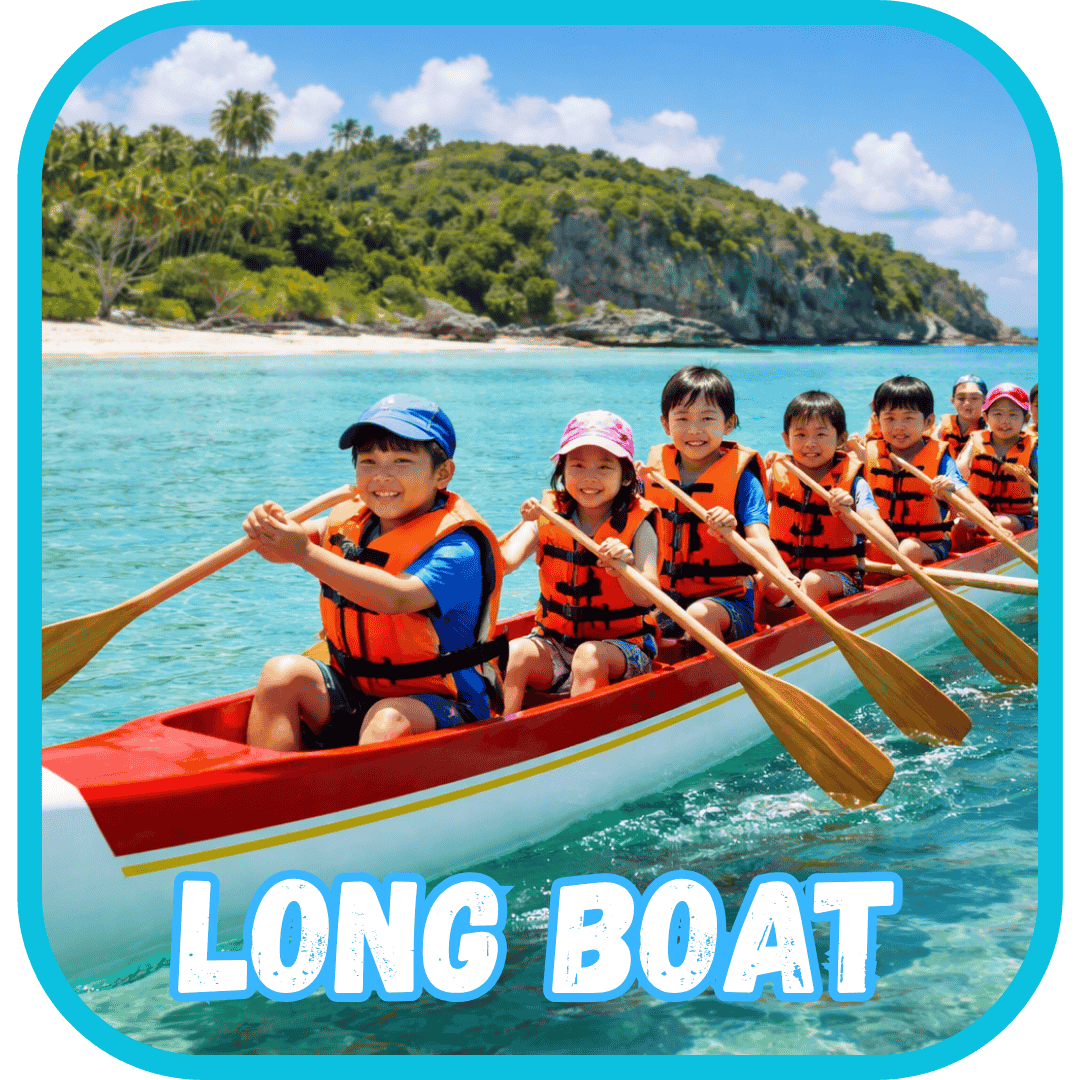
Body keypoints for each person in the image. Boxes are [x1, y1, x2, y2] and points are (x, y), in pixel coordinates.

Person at [242, 394, 505, 751]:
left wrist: (302, 552)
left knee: (387, 718)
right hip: (360, 690)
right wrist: (267, 530)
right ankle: (269, 792)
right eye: (368, 461)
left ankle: (357, 799)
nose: (382, 475)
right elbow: (279, 551)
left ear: (442, 474)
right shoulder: (352, 521)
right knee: (281, 674)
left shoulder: (457, 548)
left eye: (402, 461)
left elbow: (396, 597)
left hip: (447, 705)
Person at [500, 411, 659, 715]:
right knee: (515, 652)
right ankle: (504, 732)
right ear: (562, 470)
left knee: (589, 656)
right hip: (556, 645)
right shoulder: (549, 514)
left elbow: (648, 598)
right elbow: (505, 563)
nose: (589, 477)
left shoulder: (639, 526)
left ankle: (576, 732)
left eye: (604, 467)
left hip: (624, 651)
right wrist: (524, 523)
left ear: (625, 475)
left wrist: (625, 568)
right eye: (577, 465)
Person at [641, 365, 796, 643]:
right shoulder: (652, 475)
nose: (694, 430)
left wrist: (784, 578)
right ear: (666, 424)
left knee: (701, 615)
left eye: (707, 418)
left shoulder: (743, 480)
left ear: (728, 423)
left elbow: (759, 541)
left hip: (727, 601)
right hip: (668, 600)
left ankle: (714, 680)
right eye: (682, 418)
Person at [766, 391, 894, 605]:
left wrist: (848, 513)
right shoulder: (772, 476)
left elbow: (889, 544)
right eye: (800, 435)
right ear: (786, 440)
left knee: (814, 580)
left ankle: (813, 635)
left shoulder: (854, 484)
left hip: (840, 579)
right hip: (788, 572)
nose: (809, 443)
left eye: (820, 434)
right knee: (757, 577)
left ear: (841, 439)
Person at [864, 376, 985, 565]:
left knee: (908, 549)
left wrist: (995, 527)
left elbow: (968, 499)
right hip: (885, 543)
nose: (899, 427)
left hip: (929, 545)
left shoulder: (940, 459)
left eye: (908, 418)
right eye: (889, 418)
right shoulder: (871, 454)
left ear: (929, 421)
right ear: (877, 421)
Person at [954, 383, 1038, 543]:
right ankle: (959, 559)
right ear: (985, 417)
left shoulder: (1032, 449)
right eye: (997, 414)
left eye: (1013, 415)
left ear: (1025, 419)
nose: (1005, 421)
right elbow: (958, 475)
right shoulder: (976, 442)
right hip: (979, 512)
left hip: (1017, 517)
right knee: (960, 524)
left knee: (1001, 523)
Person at [933, 374, 988, 456]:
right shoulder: (943, 427)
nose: (967, 403)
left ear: (985, 400)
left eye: (974, 398)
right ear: (952, 400)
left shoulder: (989, 429)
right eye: (961, 398)